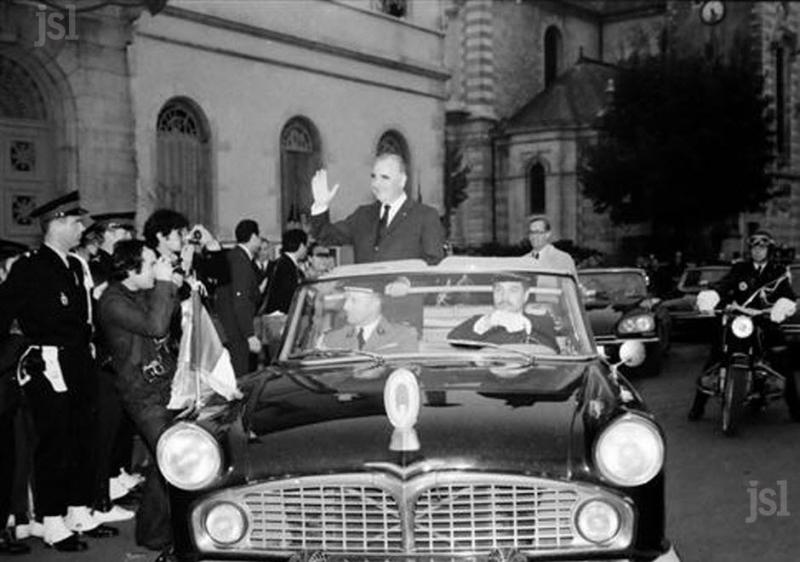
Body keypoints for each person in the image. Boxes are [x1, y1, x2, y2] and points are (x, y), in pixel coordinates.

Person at [0, 191, 117, 552]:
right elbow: (4, 313)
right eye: (75, 222)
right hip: (49, 361)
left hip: (79, 358)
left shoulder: (73, 265)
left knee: (83, 434)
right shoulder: (31, 267)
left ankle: (76, 509)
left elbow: (84, 316)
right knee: (55, 441)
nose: (81, 227)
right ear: (58, 224)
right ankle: (51, 519)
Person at [97, 239, 182, 560]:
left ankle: (155, 530)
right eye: (149, 264)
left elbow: (165, 315)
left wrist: (169, 284)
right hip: (142, 395)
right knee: (171, 457)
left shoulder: (135, 292)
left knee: (168, 461)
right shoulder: (112, 302)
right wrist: (163, 283)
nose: (155, 268)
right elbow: (156, 325)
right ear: (131, 270)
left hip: (161, 386)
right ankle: (155, 533)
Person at [689, 231, 800, 421]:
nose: (758, 251)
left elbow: (788, 295)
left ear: (769, 250)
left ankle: (795, 409)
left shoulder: (778, 272)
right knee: (716, 353)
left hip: (764, 320)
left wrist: (783, 306)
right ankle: (698, 407)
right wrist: (713, 295)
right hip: (738, 319)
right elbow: (724, 285)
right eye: (755, 247)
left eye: (762, 247)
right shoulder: (740, 268)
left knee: (782, 358)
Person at [309, 153, 445, 264]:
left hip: (404, 296)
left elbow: (434, 263)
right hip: (365, 296)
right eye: (373, 177)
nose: (376, 184)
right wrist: (320, 206)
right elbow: (325, 236)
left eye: (384, 177)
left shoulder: (425, 216)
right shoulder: (362, 215)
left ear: (402, 180)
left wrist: (406, 283)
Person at [448, 274, 558, 350]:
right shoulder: (480, 322)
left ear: (526, 295)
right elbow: (453, 340)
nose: (504, 297)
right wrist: (487, 323)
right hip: (489, 381)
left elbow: (551, 353)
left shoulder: (541, 322)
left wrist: (524, 330)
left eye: (513, 290)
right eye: (499, 290)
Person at [215, 219, 263, 376]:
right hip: (237, 329)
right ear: (254, 236)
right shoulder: (240, 260)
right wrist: (250, 335)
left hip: (235, 327)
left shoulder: (236, 256)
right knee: (240, 374)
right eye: (259, 236)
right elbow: (240, 300)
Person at [321, 283, 418, 353]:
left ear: (376, 303)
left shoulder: (403, 337)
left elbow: (406, 372)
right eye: (346, 299)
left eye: (354, 300)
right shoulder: (331, 339)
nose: (346, 306)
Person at [263, 229, 308, 315]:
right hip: (281, 317)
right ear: (301, 245)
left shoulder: (279, 263)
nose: (306, 249)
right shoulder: (287, 266)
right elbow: (290, 296)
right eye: (306, 246)